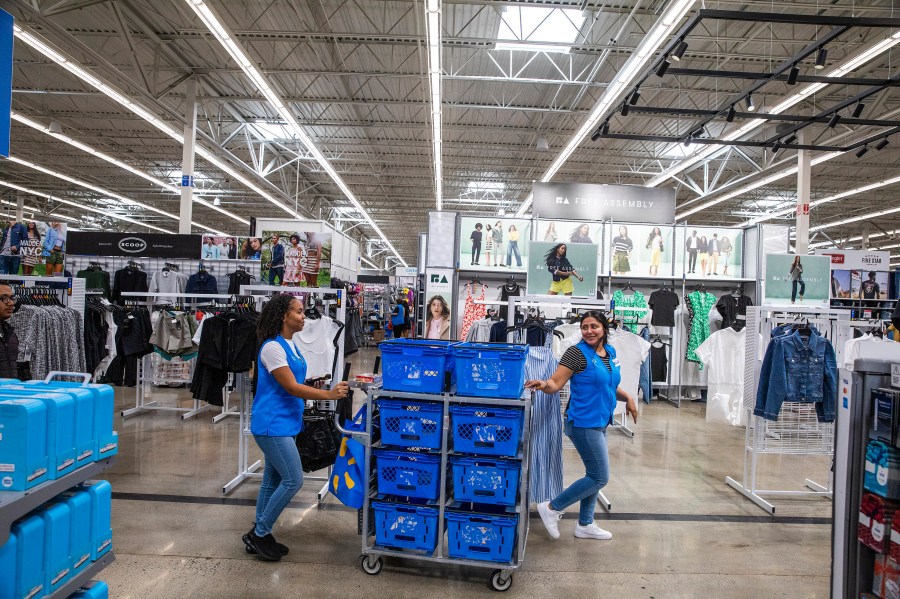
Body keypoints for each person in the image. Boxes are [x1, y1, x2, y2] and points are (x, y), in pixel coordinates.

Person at [242, 294, 349, 561]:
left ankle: (260, 533)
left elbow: (296, 379)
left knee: (272, 481)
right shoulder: (272, 348)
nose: (304, 317)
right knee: (293, 479)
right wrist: (329, 396)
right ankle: (260, 532)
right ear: (283, 316)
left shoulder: (291, 345)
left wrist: (316, 384)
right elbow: (289, 386)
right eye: (299, 312)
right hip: (272, 425)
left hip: (286, 423)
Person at [525, 311, 638, 541]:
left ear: (604, 329)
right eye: (585, 327)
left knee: (593, 474)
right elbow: (555, 382)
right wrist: (543, 383)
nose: (589, 331)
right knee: (599, 477)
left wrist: (629, 398)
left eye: (594, 326)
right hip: (583, 423)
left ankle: (585, 524)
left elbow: (608, 384)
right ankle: (552, 508)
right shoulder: (576, 353)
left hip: (600, 421)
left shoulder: (610, 352)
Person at [0, 283, 20, 379]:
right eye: (4, 298)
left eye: (11, 298)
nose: (11, 303)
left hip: (9, 390)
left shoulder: (9, 332)